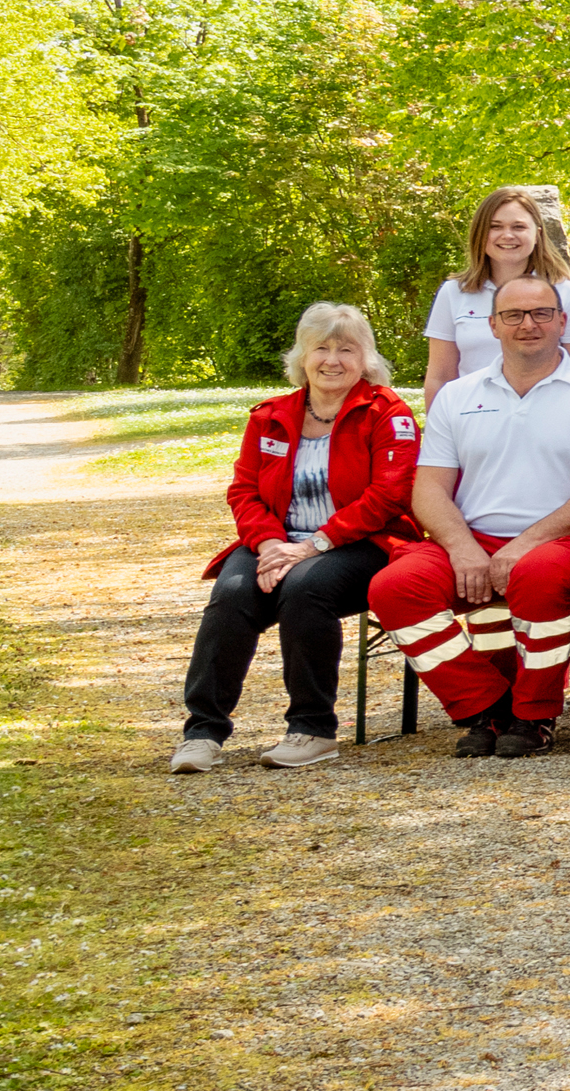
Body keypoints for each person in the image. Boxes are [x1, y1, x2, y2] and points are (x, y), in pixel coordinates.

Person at [180, 305, 436, 774]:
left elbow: (390, 494)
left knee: (304, 590)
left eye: (346, 348)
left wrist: (313, 545)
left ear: (366, 358)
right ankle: (202, 732)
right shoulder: (271, 416)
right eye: (322, 347)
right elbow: (245, 491)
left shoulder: (388, 413)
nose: (332, 359)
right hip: (279, 543)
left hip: (363, 545)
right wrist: (269, 545)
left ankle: (312, 729)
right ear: (303, 355)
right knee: (232, 593)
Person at [392, 277, 570, 759]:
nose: (529, 325)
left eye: (542, 313)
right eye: (514, 315)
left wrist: (524, 544)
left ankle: (535, 715)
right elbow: (429, 488)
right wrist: (461, 546)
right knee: (395, 588)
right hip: (471, 535)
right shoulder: (457, 395)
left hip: (560, 537)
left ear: (563, 322)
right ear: (492, 325)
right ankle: (488, 709)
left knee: (537, 577)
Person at [421, 189, 570, 402]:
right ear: (480, 234)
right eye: (495, 227)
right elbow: (440, 376)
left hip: (550, 413)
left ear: (537, 235)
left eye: (519, 227)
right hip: (474, 414)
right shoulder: (454, 292)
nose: (508, 235)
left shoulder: (568, 292)